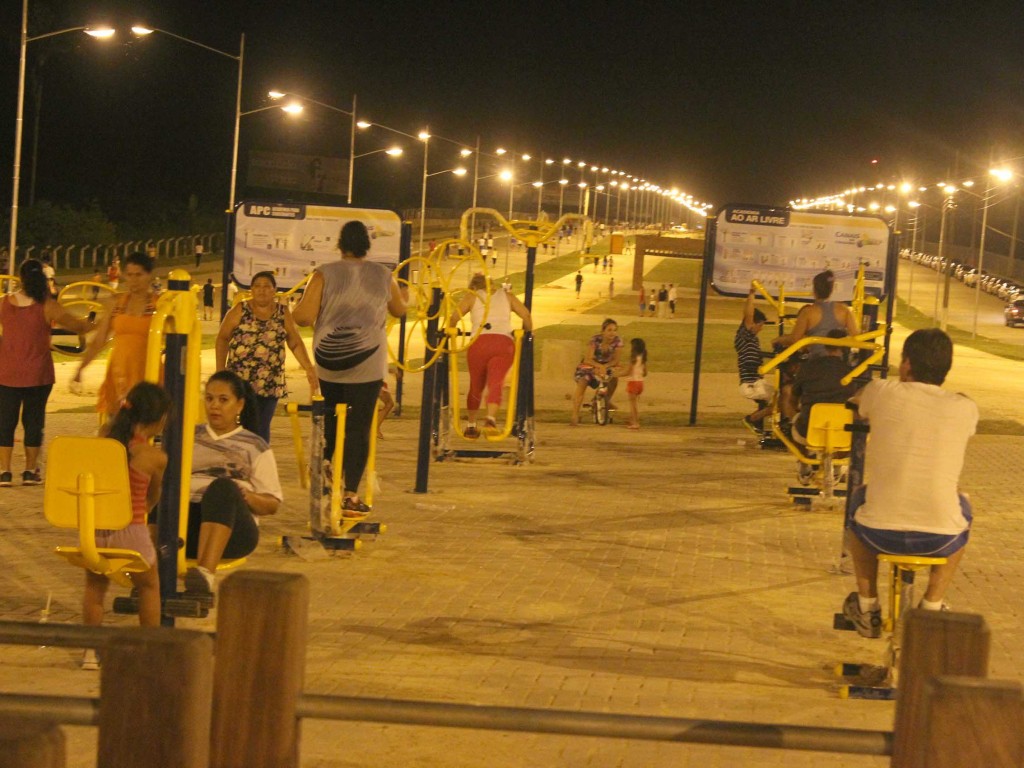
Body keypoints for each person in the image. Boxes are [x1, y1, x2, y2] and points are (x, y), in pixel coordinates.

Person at [841, 329, 978, 639]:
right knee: (963, 505)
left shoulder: (880, 391)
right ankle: (932, 605)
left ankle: (867, 606)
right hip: (939, 539)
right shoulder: (965, 407)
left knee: (859, 498)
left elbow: (858, 403)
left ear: (906, 364)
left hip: (878, 535)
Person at [292, 220, 408, 516]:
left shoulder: (323, 274)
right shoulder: (383, 275)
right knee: (359, 427)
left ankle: (326, 463)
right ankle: (351, 496)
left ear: (340, 245)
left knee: (332, 416)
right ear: (367, 245)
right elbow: (399, 310)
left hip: (329, 360)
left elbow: (303, 317)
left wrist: (296, 307)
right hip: (368, 362)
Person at [82, 382, 170, 666]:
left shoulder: (104, 437)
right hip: (131, 530)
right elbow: (152, 498)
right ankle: (150, 650)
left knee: (95, 588)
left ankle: (90, 653)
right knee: (149, 586)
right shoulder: (155, 457)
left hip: (96, 530)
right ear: (159, 420)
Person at [185, 371, 283, 598]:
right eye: (209, 399)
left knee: (223, 487)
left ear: (239, 405)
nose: (214, 406)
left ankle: (204, 576)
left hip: (233, 530)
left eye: (223, 400)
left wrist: (246, 495)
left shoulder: (255, 446)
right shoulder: (188, 437)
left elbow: (272, 504)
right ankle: (150, 575)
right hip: (186, 523)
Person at [0, 259, 95, 486]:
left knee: (5, 421)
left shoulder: (4, 303)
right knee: (34, 421)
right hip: (38, 374)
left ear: (20, 278)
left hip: (7, 373)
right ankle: (30, 471)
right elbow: (78, 326)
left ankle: (4, 471)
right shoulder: (47, 305)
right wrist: (96, 321)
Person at [216, 270, 318, 442]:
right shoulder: (240, 310)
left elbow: (294, 342)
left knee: (262, 426)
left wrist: (308, 367)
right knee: (248, 426)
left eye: (266, 286)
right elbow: (222, 338)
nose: (262, 290)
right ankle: (248, 455)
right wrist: (220, 371)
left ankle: (260, 456)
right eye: (257, 286)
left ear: (274, 290)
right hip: (242, 381)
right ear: (251, 289)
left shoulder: (282, 312)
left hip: (270, 382)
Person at [74, 252, 158, 419]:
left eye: (139, 275)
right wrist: (80, 368)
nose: (133, 280)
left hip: (148, 374)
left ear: (149, 276)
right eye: (130, 275)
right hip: (119, 374)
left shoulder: (159, 304)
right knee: (118, 425)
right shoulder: (117, 303)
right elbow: (99, 340)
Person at [448, 273, 533, 438]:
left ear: (473, 287)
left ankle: (471, 424)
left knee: (476, 385)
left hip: (479, 343)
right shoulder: (507, 295)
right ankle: (490, 419)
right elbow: (526, 315)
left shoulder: (472, 296)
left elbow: (454, 317)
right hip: (503, 343)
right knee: (496, 382)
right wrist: (530, 333)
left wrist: (450, 330)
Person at [788, 329, 857, 484]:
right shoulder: (853, 372)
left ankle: (804, 462)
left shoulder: (808, 367)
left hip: (809, 430)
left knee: (795, 421)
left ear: (825, 346)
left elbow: (793, 398)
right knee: (856, 429)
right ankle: (838, 466)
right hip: (842, 432)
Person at [774, 269, 859, 355]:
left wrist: (779, 339)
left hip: (817, 359)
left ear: (814, 290)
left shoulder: (807, 312)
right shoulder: (844, 309)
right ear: (831, 289)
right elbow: (856, 336)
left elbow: (794, 339)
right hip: (840, 360)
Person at [735, 284, 774, 432]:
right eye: (760, 325)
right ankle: (752, 419)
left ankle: (757, 423)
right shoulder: (744, 335)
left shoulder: (753, 339)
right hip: (750, 385)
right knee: (779, 399)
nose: (761, 328)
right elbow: (748, 315)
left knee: (776, 397)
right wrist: (751, 294)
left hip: (756, 382)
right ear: (753, 324)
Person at [571, 318, 623, 425]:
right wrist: (599, 366)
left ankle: (605, 401)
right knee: (583, 381)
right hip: (591, 365)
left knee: (614, 379)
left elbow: (616, 360)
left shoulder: (617, 341)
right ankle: (575, 414)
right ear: (603, 331)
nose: (612, 333)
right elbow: (588, 359)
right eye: (609, 330)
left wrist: (605, 366)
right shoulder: (595, 340)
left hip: (608, 365)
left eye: (614, 330)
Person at [622, 338, 647, 430]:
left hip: (633, 382)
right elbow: (645, 372)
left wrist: (616, 374)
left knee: (633, 405)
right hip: (640, 382)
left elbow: (628, 372)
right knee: (634, 403)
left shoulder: (633, 359)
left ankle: (635, 423)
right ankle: (632, 420)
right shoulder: (643, 359)